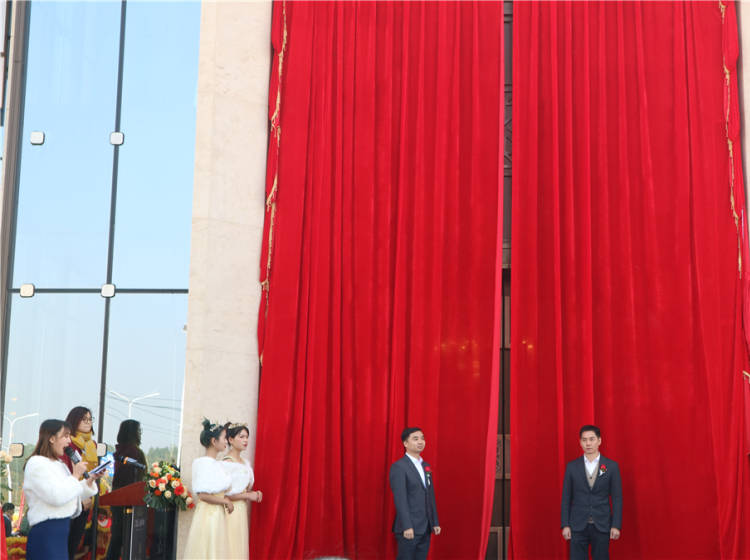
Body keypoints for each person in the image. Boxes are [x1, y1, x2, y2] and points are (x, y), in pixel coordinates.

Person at [23, 419, 102, 560]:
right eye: (65, 436)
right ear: (52, 438)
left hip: (61, 532)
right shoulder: (36, 463)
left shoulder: (60, 464)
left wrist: (89, 481)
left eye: (69, 436)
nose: (69, 441)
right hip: (46, 532)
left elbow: (69, 493)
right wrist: (75, 475)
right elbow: (56, 497)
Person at [561, 425, 623, 560]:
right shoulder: (572, 467)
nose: (588, 443)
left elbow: (617, 498)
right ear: (580, 442)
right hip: (577, 525)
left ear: (599, 441)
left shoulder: (611, 466)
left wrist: (616, 525)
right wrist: (565, 525)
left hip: (602, 524)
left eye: (591, 439)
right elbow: (566, 498)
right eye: (584, 440)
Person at [184, 419, 233, 559]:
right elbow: (203, 495)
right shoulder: (204, 464)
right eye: (224, 438)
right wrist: (225, 501)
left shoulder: (216, 464)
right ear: (214, 441)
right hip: (209, 515)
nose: (226, 441)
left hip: (216, 513)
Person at [389, 427, 440, 560]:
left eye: (422, 438)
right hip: (409, 528)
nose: (420, 442)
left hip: (425, 526)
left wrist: (434, 522)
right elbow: (400, 499)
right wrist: (407, 526)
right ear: (405, 443)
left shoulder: (426, 466)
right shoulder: (399, 467)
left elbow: (430, 495)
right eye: (415, 439)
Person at [105, 419, 147, 560]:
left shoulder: (120, 451)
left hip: (119, 497)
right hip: (128, 498)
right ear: (132, 433)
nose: (140, 433)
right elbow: (135, 477)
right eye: (138, 430)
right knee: (124, 536)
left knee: (117, 536)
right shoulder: (133, 452)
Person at [61, 406, 98, 559]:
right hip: (71, 499)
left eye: (90, 419)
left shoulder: (92, 445)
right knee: (65, 547)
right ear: (74, 420)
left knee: (74, 545)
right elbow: (65, 474)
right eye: (84, 419)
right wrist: (80, 498)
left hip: (87, 498)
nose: (88, 422)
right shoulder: (67, 445)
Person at [222, 423, 263, 559]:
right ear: (231, 440)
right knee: (230, 545)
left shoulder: (245, 463)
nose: (245, 440)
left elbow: (244, 488)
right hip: (230, 509)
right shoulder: (227, 463)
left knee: (239, 546)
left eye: (247, 437)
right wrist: (249, 495)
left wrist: (254, 494)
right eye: (241, 437)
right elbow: (224, 494)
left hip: (241, 509)